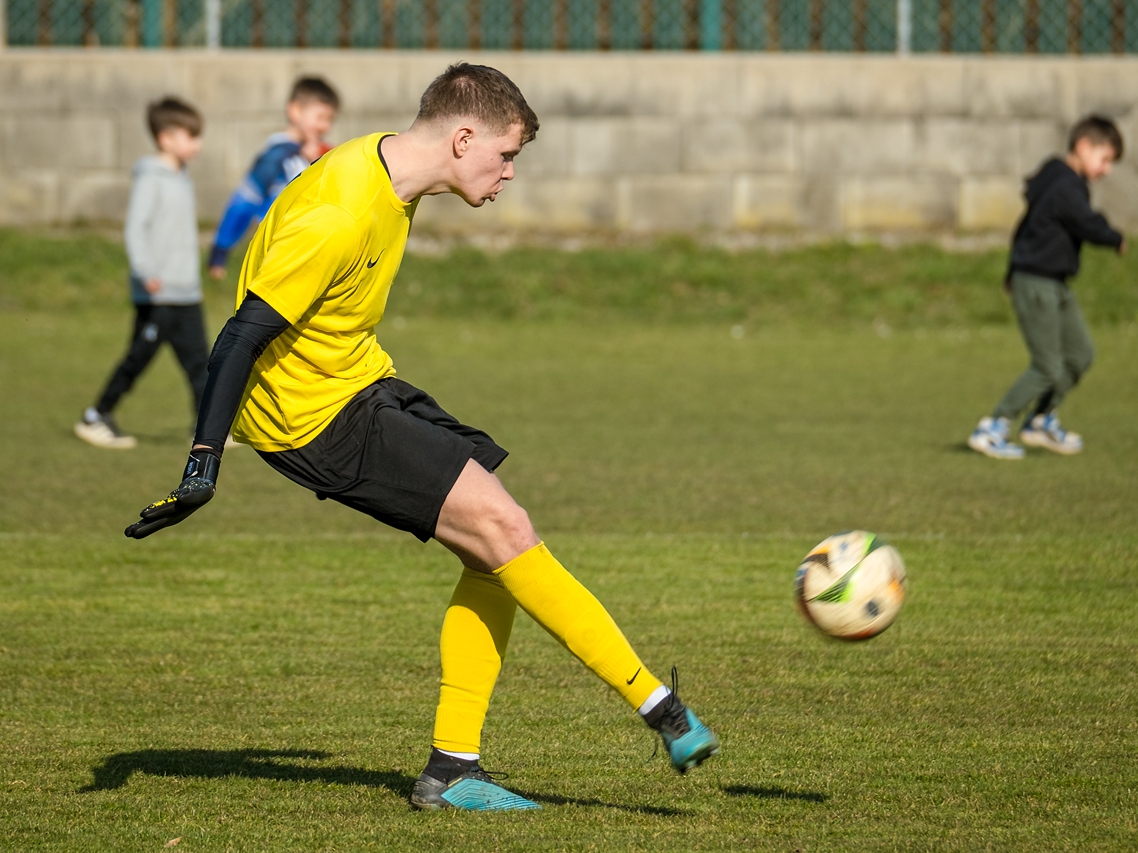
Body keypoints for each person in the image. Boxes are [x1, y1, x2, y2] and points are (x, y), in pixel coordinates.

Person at [124, 63, 719, 812]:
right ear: (463, 138)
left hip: (360, 382)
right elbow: (240, 336)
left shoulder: (389, 174)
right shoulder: (340, 210)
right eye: (505, 155)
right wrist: (203, 461)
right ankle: (664, 713)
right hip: (313, 417)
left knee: (495, 548)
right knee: (507, 529)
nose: (509, 174)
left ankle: (451, 768)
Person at [968, 115, 1127, 460]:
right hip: (1036, 281)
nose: (1107, 170)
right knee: (1047, 366)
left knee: (1080, 354)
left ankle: (1040, 421)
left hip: (1055, 282)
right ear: (1083, 147)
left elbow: (1025, 226)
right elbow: (1086, 223)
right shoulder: (1066, 186)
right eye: (1105, 159)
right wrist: (1115, 238)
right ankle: (993, 427)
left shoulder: (1056, 178)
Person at [75, 97, 208, 449]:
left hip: (186, 292)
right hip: (158, 293)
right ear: (166, 139)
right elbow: (136, 229)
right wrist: (146, 270)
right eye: (191, 136)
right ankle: (96, 416)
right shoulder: (151, 178)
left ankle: (207, 428)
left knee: (201, 362)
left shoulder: (182, 178)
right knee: (139, 357)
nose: (198, 144)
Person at [207, 76, 339, 280]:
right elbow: (244, 201)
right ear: (295, 111)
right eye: (320, 118)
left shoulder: (320, 153)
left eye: (330, 120)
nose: (325, 127)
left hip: (305, 246)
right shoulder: (276, 155)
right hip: (275, 246)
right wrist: (220, 251)